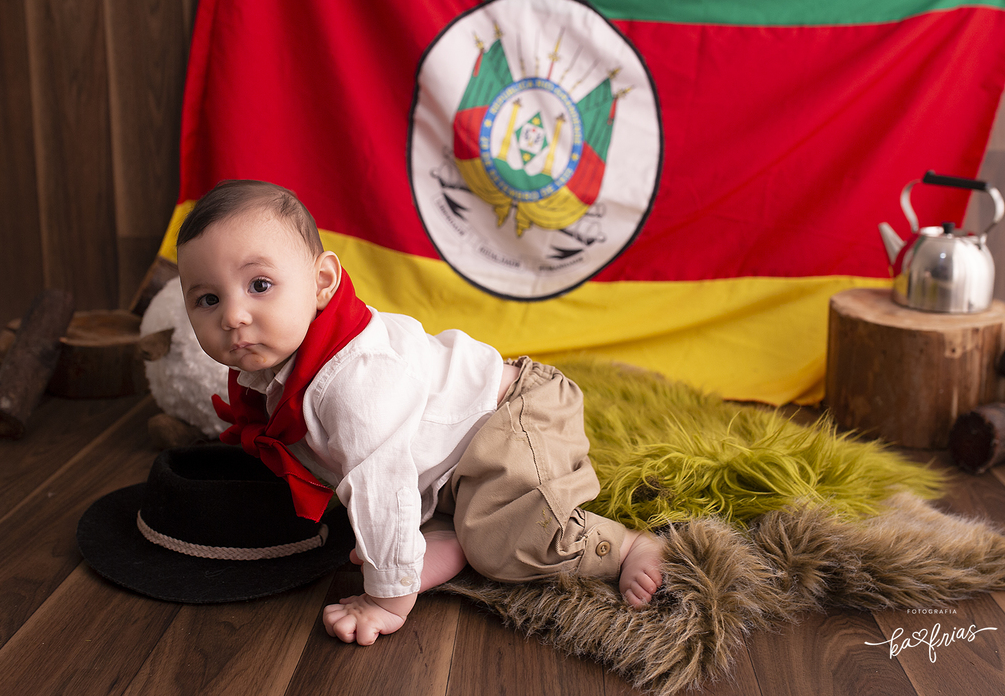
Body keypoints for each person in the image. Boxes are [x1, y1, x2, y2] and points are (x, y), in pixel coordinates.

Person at [175, 179, 664, 645]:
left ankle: (619, 547)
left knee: (506, 542)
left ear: (322, 281)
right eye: (208, 299)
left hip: (514, 412)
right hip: (448, 461)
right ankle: (452, 530)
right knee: (432, 526)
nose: (233, 316)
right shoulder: (275, 365)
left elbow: (381, 483)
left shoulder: (355, 379)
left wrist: (386, 599)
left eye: (259, 285)